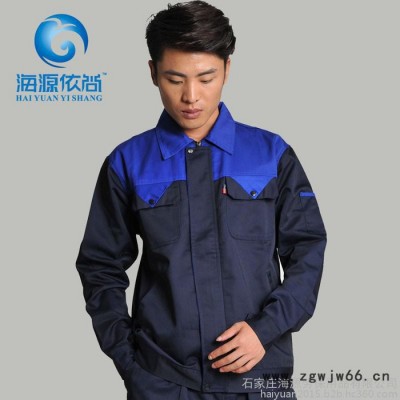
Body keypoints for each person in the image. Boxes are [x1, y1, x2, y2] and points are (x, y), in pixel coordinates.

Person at [76, 1, 327, 399]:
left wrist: (265, 330)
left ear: (227, 69)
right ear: (153, 73)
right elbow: (100, 266)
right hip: (163, 381)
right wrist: (130, 362)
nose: (191, 96)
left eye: (206, 78)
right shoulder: (127, 163)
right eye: (175, 79)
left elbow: (308, 250)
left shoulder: (271, 155)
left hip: (258, 379)